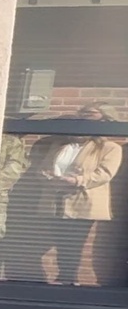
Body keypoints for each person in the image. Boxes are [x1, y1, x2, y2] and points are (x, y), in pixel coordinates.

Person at [45, 104, 122, 285]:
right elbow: (45, 166)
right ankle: (64, 278)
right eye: (82, 113)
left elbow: (104, 174)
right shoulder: (62, 145)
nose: (83, 117)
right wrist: (47, 177)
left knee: (74, 243)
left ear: (105, 119)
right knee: (60, 241)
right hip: (56, 199)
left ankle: (69, 279)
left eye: (90, 114)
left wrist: (77, 180)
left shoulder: (110, 148)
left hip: (83, 201)